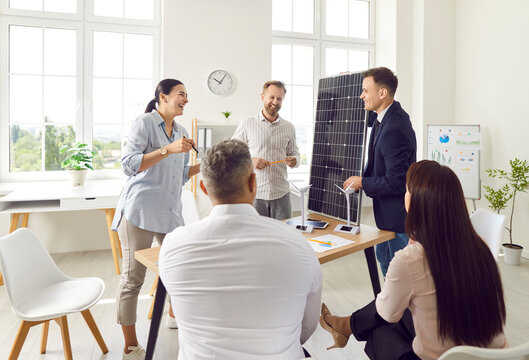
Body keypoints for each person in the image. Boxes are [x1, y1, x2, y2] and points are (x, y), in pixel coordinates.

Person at [321, 160, 507, 360]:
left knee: (379, 330)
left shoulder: (410, 259)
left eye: (407, 190)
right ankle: (345, 326)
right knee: (404, 309)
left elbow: (385, 313)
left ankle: (345, 326)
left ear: (415, 202)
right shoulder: (482, 246)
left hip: (443, 356)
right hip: (492, 355)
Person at [159, 139, 322, 360]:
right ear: (253, 183)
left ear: (204, 188)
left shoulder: (173, 245)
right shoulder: (297, 244)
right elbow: (307, 327)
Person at [111, 78, 200, 359]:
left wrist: (203, 165)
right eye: (180, 94)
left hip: (170, 212)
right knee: (133, 279)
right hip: (139, 211)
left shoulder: (182, 131)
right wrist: (167, 150)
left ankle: (175, 316)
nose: (185, 98)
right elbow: (128, 165)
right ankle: (130, 345)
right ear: (163, 97)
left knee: (181, 268)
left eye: (187, 95)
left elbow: (179, 175)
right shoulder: (145, 123)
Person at [343, 67, 416, 276]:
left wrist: (362, 182)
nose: (361, 96)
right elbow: (361, 113)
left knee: (398, 278)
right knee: (386, 266)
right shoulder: (383, 116)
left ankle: (396, 310)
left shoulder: (395, 128)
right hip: (386, 219)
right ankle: (389, 308)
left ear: (382, 93)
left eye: (365, 91)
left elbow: (397, 182)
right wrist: (344, 84)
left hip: (398, 221)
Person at [232, 80, 300, 220]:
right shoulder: (247, 123)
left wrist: (294, 160)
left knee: (283, 236)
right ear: (263, 97)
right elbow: (231, 154)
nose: (275, 101)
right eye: (272, 97)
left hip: (282, 195)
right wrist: (250, 161)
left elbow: (295, 154)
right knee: (256, 238)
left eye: (279, 98)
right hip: (255, 195)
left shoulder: (289, 127)